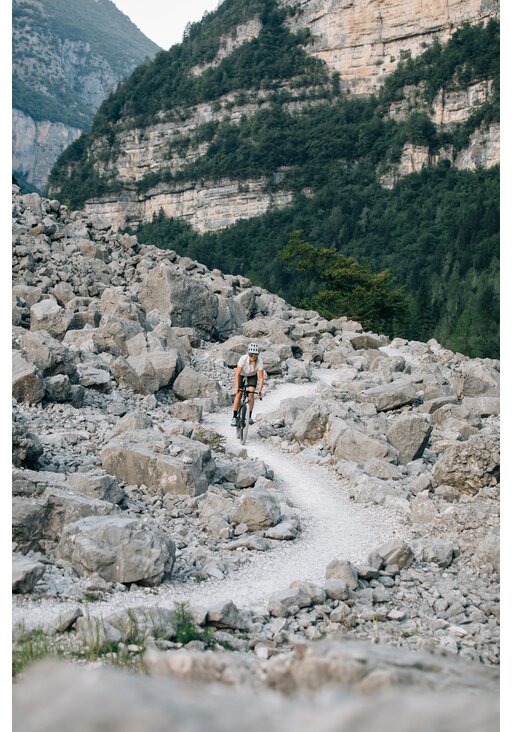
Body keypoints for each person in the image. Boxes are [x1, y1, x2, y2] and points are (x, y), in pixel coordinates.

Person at [231, 342, 264, 426]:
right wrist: (237, 387)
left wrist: (260, 390)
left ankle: (249, 416)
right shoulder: (243, 359)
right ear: (248, 354)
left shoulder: (260, 361)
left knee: (251, 393)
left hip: (252, 376)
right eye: (251, 355)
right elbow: (237, 374)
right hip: (242, 375)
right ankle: (234, 417)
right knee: (239, 393)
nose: (253, 358)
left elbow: (260, 377)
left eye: (255, 356)